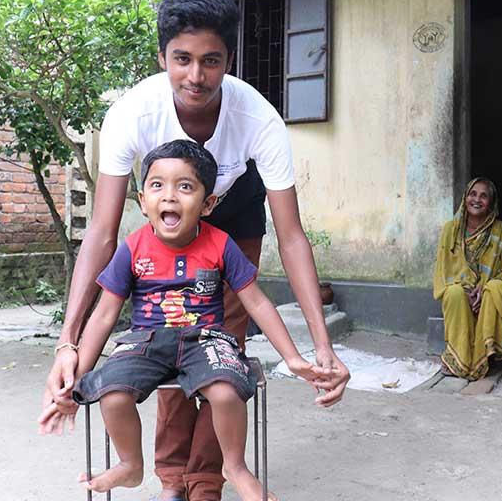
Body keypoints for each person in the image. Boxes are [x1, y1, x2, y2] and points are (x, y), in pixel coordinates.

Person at [38, 0, 349, 501]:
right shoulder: (132, 114)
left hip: (234, 211)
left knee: (220, 342)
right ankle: (170, 477)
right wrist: (68, 343)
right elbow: (101, 231)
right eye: (181, 59)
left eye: (211, 61)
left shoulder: (259, 119)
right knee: (163, 330)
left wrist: (320, 345)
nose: (196, 76)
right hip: (168, 209)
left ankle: (207, 480)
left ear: (230, 59)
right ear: (162, 57)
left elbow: (292, 237)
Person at [52, 141, 322, 499]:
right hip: (145, 342)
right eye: (157, 185)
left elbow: (256, 303)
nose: (169, 196)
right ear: (143, 199)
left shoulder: (221, 244)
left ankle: (234, 466)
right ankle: (131, 465)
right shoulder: (131, 247)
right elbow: (104, 315)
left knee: (226, 393)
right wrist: (75, 375)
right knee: (112, 394)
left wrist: (293, 358)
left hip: (206, 339)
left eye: (185, 186)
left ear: (208, 203)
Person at [433, 177, 502, 380]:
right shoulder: (451, 229)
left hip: (489, 293)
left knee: (496, 288)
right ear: (465, 198)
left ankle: (485, 356)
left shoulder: (501, 231)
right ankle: (460, 360)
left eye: (484, 196)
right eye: (473, 194)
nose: (477, 199)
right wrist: (466, 290)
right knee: (454, 292)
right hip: (460, 290)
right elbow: (444, 269)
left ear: (491, 202)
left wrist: (483, 289)